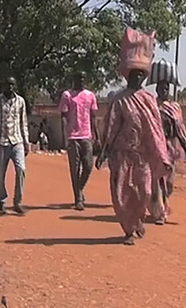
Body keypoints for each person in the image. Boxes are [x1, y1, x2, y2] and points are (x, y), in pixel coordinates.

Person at [97, 69, 171, 245]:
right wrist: (103, 152)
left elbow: (156, 128)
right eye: (134, 75)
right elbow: (111, 126)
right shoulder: (120, 100)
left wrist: (161, 153)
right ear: (127, 76)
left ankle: (137, 221)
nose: (137, 78)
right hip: (122, 153)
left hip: (142, 155)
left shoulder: (149, 99)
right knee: (122, 194)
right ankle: (129, 231)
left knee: (144, 192)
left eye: (140, 75)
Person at [147, 79, 186, 225]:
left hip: (171, 147)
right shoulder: (152, 107)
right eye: (161, 88)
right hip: (156, 146)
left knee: (170, 181)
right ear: (156, 90)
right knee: (159, 179)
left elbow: (180, 129)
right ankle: (161, 212)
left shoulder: (174, 108)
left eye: (166, 88)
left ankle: (159, 204)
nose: (164, 91)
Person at [60, 71, 100, 211]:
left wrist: (97, 137)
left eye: (83, 78)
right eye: (78, 78)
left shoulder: (90, 96)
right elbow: (63, 116)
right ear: (74, 79)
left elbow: (93, 117)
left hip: (86, 136)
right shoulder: (67, 95)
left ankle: (80, 189)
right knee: (74, 169)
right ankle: (78, 199)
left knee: (88, 166)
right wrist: (65, 136)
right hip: (72, 136)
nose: (81, 80)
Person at [0, 77, 29, 215]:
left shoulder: (20, 101)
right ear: (3, 86)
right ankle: (2, 202)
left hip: (17, 141)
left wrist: (26, 141)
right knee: (1, 174)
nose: (10, 87)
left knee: (21, 169)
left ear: (15, 86)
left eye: (13, 84)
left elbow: (23, 122)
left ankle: (17, 202)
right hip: (2, 142)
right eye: (8, 84)